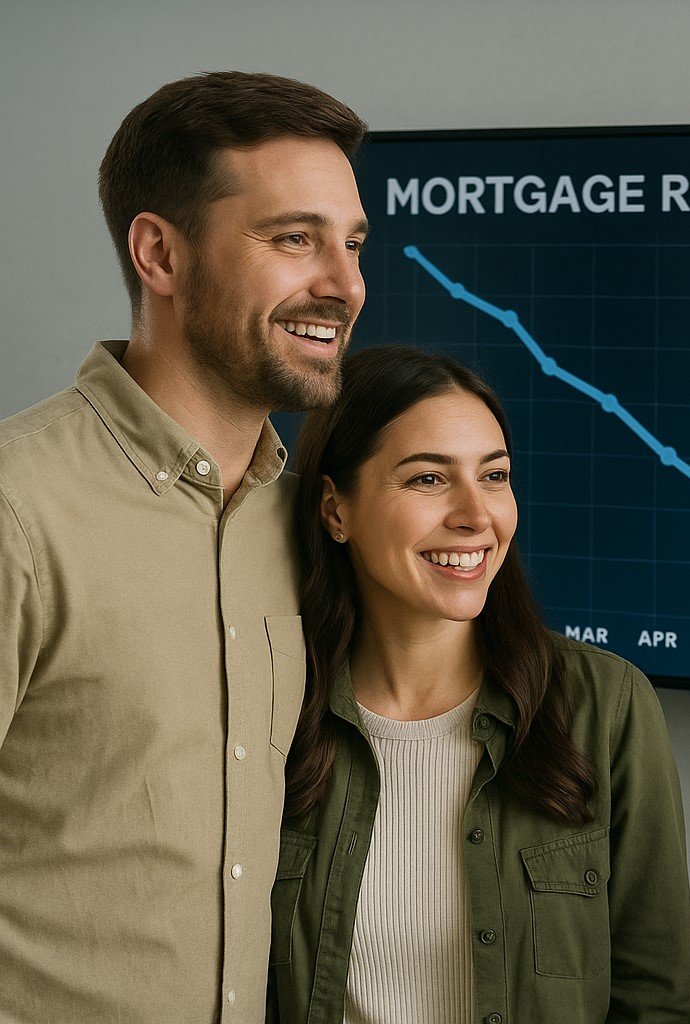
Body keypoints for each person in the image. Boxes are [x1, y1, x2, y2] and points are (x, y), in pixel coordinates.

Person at [0, 73, 367, 1022]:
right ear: (159, 253)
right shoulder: (17, 505)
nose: (345, 283)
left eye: (352, 243)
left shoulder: (305, 524)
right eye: (295, 239)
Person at [269, 346, 690, 1024]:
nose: (477, 515)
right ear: (335, 510)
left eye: (494, 476)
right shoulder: (267, 708)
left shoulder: (606, 706)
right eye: (428, 481)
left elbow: (658, 1001)